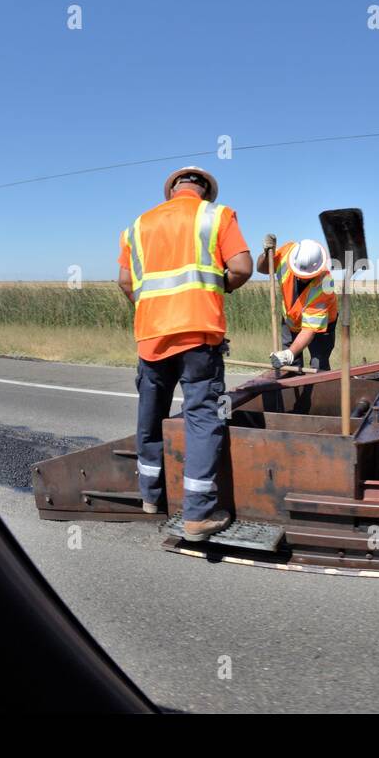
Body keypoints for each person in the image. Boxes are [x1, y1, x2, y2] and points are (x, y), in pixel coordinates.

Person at [116, 167, 252, 541]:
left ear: (172, 190)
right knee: (202, 419)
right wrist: (214, 289)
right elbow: (242, 267)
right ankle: (196, 516)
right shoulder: (217, 215)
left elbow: (126, 281)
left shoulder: (138, 225)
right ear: (205, 192)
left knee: (150, 414)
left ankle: (151, 497)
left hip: (151, 337)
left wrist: (150, 308)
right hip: (197, 335)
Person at [257, 238, 338, 372]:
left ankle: (320, 389)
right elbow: (262, 269)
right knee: (291, 367)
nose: (301, 278)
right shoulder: (286, 253)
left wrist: (289, 354)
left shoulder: (325, 286)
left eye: (306, 276)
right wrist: (266, 255)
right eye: (298, 273)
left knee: (318, 366)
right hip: (291, 320)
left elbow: (309, 329)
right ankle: (294, 387)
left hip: (320, 327)